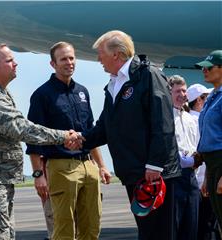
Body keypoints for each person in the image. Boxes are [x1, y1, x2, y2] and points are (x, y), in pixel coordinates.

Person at [0, 43, 81, 240]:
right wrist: (63, 136)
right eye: (9, 60)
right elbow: (22, 129)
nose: (15, 64)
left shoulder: (1, 93)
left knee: (5, 235)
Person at [81, 30, 181, 240]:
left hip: (153, 174)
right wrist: (81, 140)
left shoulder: (148, 75)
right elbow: (105, 126)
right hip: (134, 172)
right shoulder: (114, 84)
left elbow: (162, 122)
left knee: (159, 234)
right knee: (146, 233)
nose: (98, 59)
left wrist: (155, 165)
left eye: (101, 53)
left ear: (116, 54)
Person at [26, 42, 111, 240]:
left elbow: (91, 133)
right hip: (61, 167)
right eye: (63, 59)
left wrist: (102, 166)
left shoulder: (82, 91)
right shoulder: (42, 95)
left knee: (92, 227)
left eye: (72, 58)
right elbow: (33, 138)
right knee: (64, 229)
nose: (69, 62)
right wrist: (38, 174)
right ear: (52, 64)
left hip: (88, 166)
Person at [169, 75, 200, 240]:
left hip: (191, 179)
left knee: (191, 227)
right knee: (175, 227)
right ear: (169, 93)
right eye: (177, 91)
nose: (182, 94)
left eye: (183, 90)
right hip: (175, 177)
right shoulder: (166, 117)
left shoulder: (190, 119)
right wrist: (190, 160)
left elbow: (195, 145)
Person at [187, 83, 219, 239]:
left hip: (198, 181)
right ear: (199, 100)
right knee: (208, 226)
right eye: (206, 97)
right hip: (205, 181)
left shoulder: (188, 118)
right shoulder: (200, 120)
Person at [196, 50, 222, 235]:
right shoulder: (213, 96)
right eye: (203, 68)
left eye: (209, 67)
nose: (204, 71)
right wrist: (206, 176)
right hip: (212, 165)